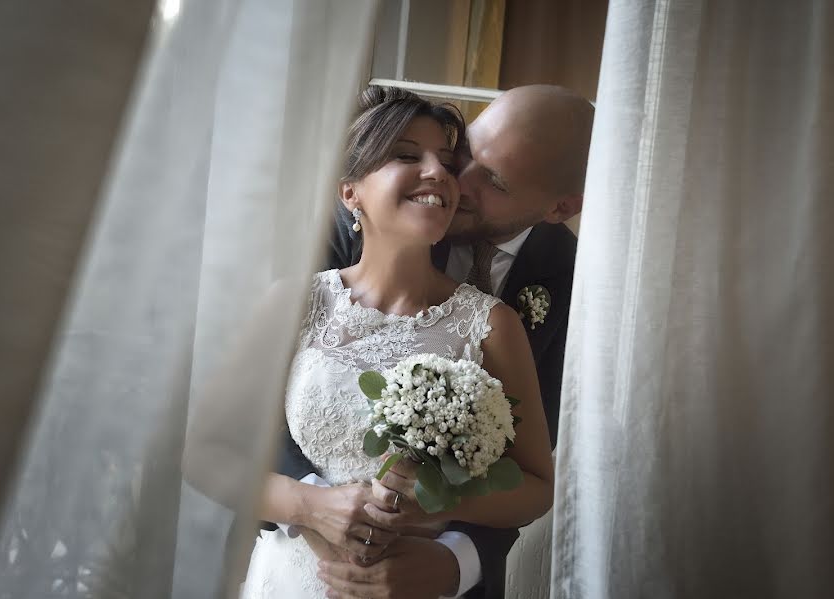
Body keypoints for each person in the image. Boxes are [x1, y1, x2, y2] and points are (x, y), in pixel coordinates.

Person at [226, 86, 556, 598]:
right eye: (406, 155)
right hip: (292, 579)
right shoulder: (293, 302)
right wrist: (307, 506)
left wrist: (443, 502)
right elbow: (204, 450)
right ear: (349, 192)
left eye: (447, 161)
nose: (439, 173)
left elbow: (536, 488)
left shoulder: (494, 324)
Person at [308, 85, 594, 599]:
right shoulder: (356, 222)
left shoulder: (579, 286)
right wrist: (309, 509)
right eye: (467, 152)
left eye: (495, 181)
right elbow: (273, 407)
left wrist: (456, 562)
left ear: (559, 208)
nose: (454, 178)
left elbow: (524, 467)